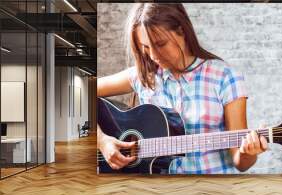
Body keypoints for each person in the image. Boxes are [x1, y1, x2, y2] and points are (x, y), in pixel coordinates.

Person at [97, 3, 268, 174]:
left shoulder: (224, 76)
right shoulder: (141, 76)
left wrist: (248, 152)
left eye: (160, 44)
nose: (153, 56)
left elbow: (241, 163)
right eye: (146, 48)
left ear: (182, 31)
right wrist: (102, 140)